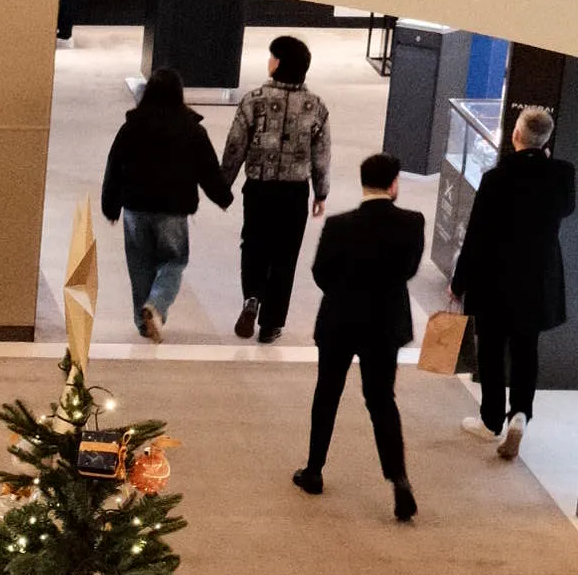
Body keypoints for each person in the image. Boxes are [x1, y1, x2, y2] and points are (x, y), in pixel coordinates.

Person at [294, 155, 423, 521]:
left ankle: (314, 470)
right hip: (385, 324)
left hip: (340, 321)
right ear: (394, 183)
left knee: (327, 392)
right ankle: (399, 480)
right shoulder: (412, 223)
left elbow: (321, 273)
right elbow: (409, 270)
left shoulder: (339, 225)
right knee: (381, 399)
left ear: (363, 182)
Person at [452, 101, 576, 459]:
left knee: (490, 348)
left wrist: (459, 282)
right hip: (539, 277)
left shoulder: (496, 178)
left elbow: (476, 234)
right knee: (526, 348)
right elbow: (566, 209)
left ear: (516, 135)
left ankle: (491, 420)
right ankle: (520, 414)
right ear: (546, 140)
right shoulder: (563, 175)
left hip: (495, 276)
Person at [99, 66, 228, 339]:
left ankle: (141, 321)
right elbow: (208, 169)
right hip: (173, 210)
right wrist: (222, 196)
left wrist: (110, 206)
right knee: (173, 261)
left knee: (140, 265)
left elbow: (114, 167)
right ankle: (156, 305)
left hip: (135, 207)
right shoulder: (192, 131)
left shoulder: (131, 128)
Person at [219, 33, 333, 340]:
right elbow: (321, 155)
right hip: (294, 192)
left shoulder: (253, 100)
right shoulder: (316, 107)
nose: (268, 61)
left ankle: (252, 297)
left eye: (272, 56)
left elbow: (235, 146)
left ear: (279, 63)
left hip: (259, 188)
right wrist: (321, 192)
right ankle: (272, 324)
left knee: (253, 244)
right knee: (285, 255)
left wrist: (223, 184)